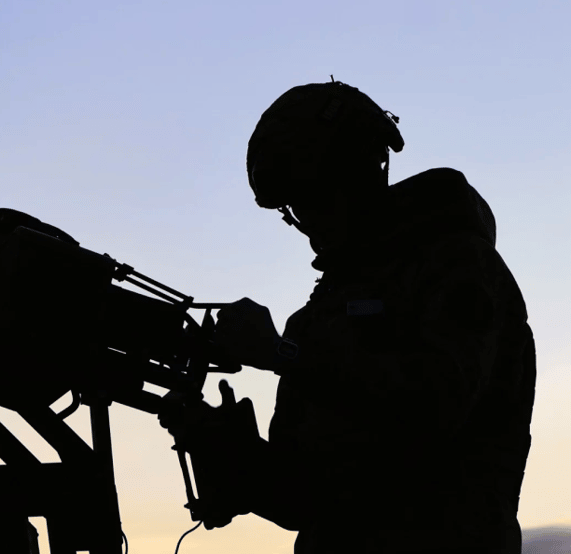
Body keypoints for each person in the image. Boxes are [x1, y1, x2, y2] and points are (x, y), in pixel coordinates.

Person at [164, 81, 536, 553]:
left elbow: (434, 405)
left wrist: (282, 354)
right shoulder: (318, 318)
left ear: (362, 172)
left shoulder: (459, 266)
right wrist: (224, 449)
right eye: (295, 209)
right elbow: (302, 501)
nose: (309, 224)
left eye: (315, 197)